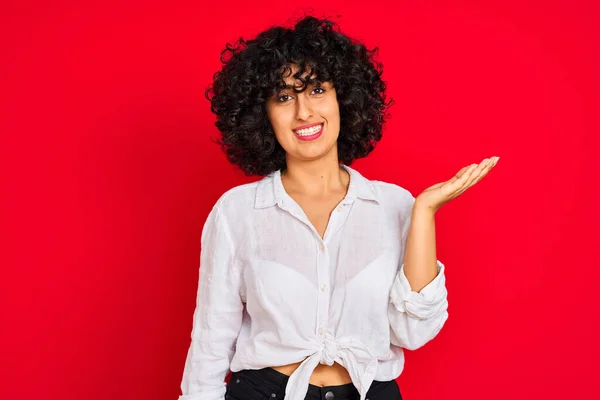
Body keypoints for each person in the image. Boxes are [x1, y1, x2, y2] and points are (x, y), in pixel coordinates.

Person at [178, 15, 498, 400]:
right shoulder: (237, 212)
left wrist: (424, 212)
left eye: (316, 90)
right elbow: (211, 338)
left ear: (342, 97)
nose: (303, 112)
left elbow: (412, 332)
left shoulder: (395, 205)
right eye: (283, 97)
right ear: (262, 115)